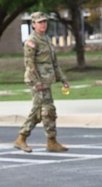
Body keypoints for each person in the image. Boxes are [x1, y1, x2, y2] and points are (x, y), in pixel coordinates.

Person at [14, 11, 69, 153]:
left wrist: (63, 78)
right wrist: (36, 81)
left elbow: (54, 63)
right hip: (37, 81)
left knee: (44, 111)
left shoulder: (46, 39)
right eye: (39, 22)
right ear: (33, 24)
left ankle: (47, 141)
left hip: (46, 80)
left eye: (44, 21)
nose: (43, 24)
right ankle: (24, 138)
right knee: (43, 110)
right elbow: (29, 64)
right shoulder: (32, 41)